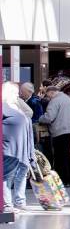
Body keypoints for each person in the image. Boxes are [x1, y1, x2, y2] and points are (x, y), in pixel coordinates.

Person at [2, 82, 35, 214]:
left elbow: (29, 117)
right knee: (7, 177)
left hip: (23, 148)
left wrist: (31, 151)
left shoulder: (17, 106)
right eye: (14, 92)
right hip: (9, 148)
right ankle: (7, 203)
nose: (17, 95)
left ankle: (19, 201)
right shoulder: (3, 107)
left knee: (21, 174)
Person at [39, 80, 70, 187]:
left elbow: (49, 117)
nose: (49, 98)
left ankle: (63, 180)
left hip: (59, 132)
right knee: (67, 156)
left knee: (60, 157)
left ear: (51, 93)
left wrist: (40, 118)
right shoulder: (67, 98)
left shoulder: (55, 101)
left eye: (48, 96)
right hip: (69, 130)